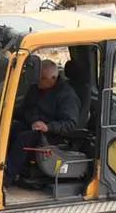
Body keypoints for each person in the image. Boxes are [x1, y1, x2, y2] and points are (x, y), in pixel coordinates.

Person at [8, 54, 89, 186]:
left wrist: (48, 127)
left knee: (24, 137)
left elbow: (70, 124)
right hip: (33, 123)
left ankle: (7, 176)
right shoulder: (37, 87)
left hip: (53, 134)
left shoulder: (67, 96)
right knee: (10, 129)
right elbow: (27, 107)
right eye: (38, 77)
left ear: (53, 79)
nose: (38, 81)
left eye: (42, 78)